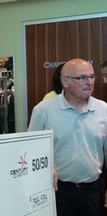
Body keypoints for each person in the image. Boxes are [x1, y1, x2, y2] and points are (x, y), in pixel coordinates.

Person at [28, 58, 107, 216]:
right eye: (82, 78)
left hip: (92, 190)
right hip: (58, 191)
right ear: (65, 81)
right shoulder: (44, 110)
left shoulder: (103, 109)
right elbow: (31, 149)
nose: (89, 82)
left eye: (92, 77)